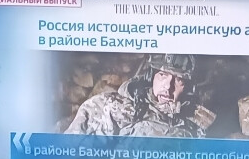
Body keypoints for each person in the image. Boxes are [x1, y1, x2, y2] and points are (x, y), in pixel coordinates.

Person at [63, 54, 216, 137]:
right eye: (162, 75)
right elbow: (72, 157)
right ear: (151, 77)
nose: (167, 86)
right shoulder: (113, 107)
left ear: (188, 88)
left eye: (178, 80)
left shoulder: (197, 123)